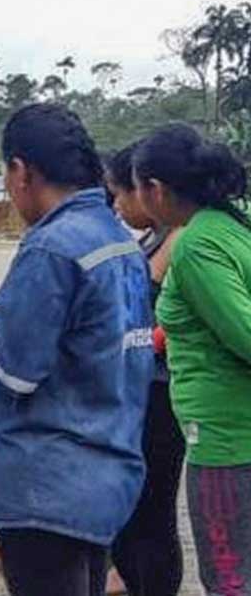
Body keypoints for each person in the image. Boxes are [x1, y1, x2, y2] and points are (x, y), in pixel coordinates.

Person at [0, 104, 155, 596]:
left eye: (6, 173)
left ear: (21, 171)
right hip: (106, 473)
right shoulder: (118, 240)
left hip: (46, 485)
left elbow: (13, 370)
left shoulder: (51, 247)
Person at [132, 123, 251, 596]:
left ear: (155, 189)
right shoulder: (237, 223)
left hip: (225, 442)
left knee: (227, 579)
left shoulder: (197, 245)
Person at [105, 143, 185, 596]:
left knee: (152, 510)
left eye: (123, 192)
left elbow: (172, 319)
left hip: (161, 390)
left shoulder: (182, 241)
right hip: (139, 385)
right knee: (131, 506)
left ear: (151, 190)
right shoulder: (156, 235)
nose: (118, 203)